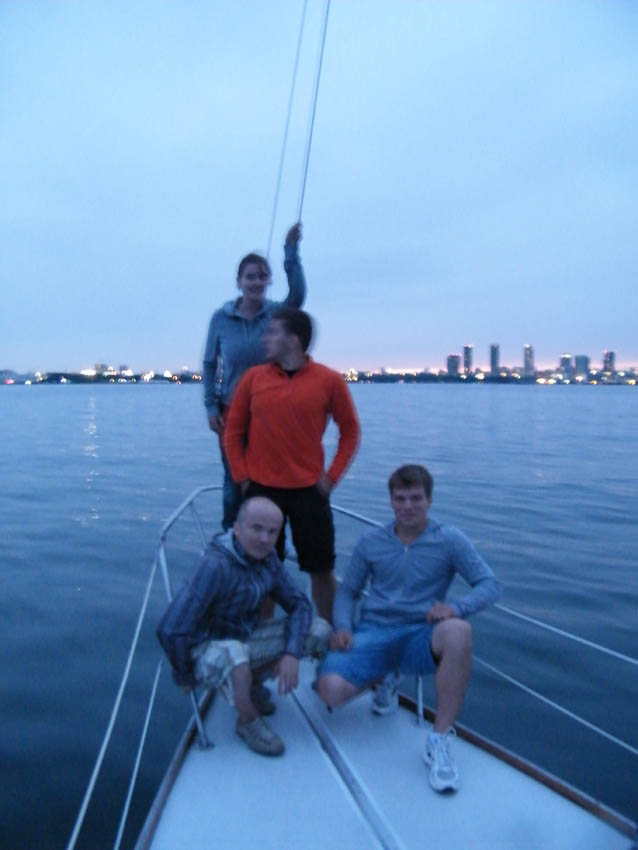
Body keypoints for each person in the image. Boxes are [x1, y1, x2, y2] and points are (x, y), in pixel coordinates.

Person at [316, 464, 502, 793]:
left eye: (416, 498)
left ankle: (439, 740)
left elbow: (489, 584)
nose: (408, 506)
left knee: (459, 631)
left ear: (430, 500)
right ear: (390, 501)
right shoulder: (371, 541)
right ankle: (385, 677)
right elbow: (348, 591)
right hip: (373, 630)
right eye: (400, 499)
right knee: (329, 692)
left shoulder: (449, 540)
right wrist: (343, 626)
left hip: (421, 633)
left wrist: (457, 608)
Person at [157, 496, 331, 757]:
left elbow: (300, 605)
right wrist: (184, 676)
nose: (264, 538)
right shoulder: (215, 566)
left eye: (272, 532)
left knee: (318, 630)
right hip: (205, 648)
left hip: (243, 637)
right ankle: (247, 721)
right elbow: (171, 628)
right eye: (256, 528)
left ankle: (250, 685)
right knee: (234, 654)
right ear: (237, 529)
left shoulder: (269, 560)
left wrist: (291, 653)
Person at [223, 308, 360, 622]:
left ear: (293, 340)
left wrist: (331, 478)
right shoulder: (253, 379)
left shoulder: (329, 380)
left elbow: (351, 432)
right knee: (261, 569)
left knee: (321, 569)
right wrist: (242, 478)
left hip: (310, 492)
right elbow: (233, 432)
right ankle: (262, 635)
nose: (265, 338)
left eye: (272, 332)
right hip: (260, 490)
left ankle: (331, 632)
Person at [203, 223, 306, 530]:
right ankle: (230, 538)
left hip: (269, 411)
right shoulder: (220, 319)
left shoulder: (276, 314)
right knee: (233, 480)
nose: (256, 282)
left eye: (262, 276)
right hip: (230, 411)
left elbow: (297, 295)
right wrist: (210, 406)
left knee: (267, 478)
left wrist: (291, 251)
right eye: (250, 277)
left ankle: (267, 540)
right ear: (239, 282)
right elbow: (209, 364)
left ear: (268, 281)